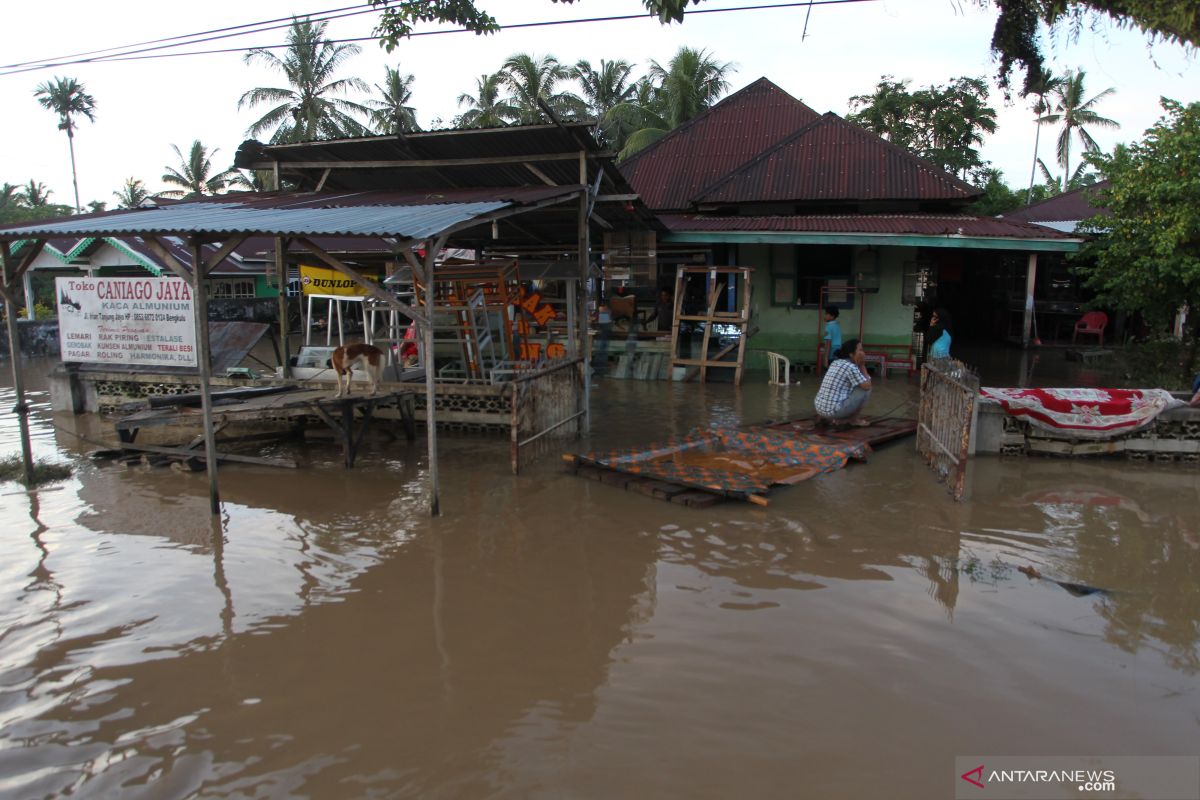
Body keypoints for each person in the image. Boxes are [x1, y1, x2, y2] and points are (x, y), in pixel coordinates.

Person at [814, 338, 872, 426]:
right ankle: (853, 420)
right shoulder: (850, 367)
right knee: (866, 389)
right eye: (860, 350)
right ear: (851, 354)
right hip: (834, 411)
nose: (863, 353)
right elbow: (867, 386)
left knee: (857, 384)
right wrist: (862, 365)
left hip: (819, 408)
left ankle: (838, 418)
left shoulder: (835, 362)